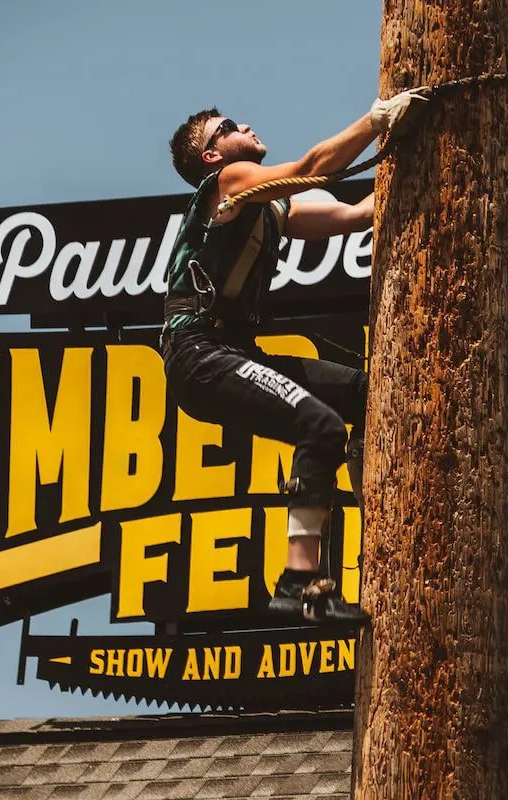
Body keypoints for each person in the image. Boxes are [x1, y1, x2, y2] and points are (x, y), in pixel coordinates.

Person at [160, 90, 428, 623]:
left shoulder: (271, 211)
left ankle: (368, 506)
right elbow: (311, 168)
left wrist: (422, 159)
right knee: (320, 425)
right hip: (199, 355)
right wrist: (375, 120)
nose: (247, 124)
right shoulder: (228, 185)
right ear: (213, 155)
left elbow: (355, 215)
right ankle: (298, 583)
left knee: (363, 393)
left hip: (230, 351)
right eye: (230, 125)